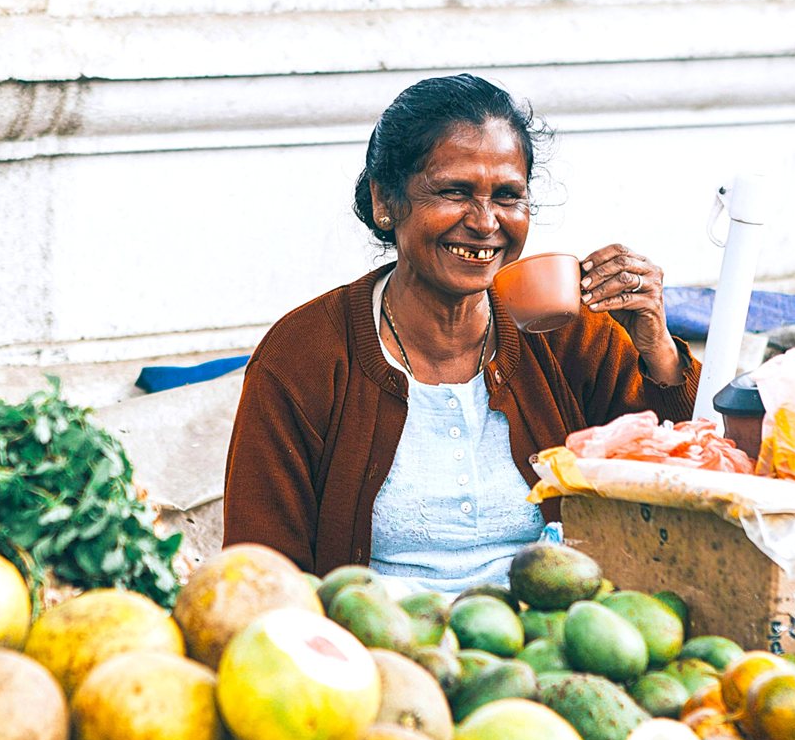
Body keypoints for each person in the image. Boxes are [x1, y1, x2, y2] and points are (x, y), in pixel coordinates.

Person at [223, 74, 698, 589]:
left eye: (508, 196)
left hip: (554, 630)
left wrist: (657, 349)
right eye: (454, 191)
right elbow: (261, 570)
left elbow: (690, 490)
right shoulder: (304, 355)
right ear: (385, 202)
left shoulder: (570, 336)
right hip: (377, 634)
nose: (486, 222)